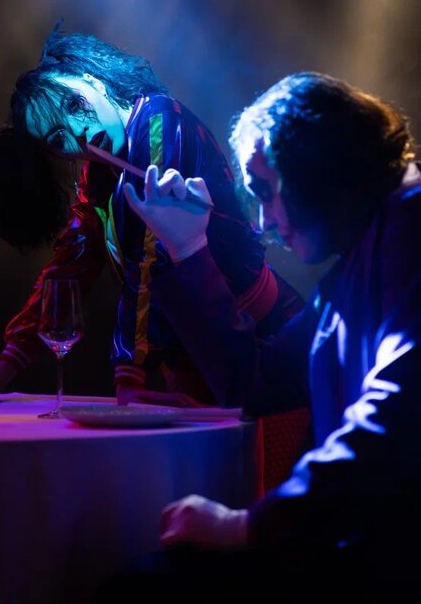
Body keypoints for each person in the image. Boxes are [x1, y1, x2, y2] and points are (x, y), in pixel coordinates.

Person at [115, 71, 421, 598]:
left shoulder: (411, 223)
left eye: (264, 191)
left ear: (315, 166)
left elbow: (399, 414)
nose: (261, 223)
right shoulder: (364, 252)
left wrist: (246, 526)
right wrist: (189, 248)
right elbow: (255, 380)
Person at [0, 23, 304, 409]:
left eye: (74, 105)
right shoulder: (98, 175)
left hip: (262, 342)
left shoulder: (159, 123)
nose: (79, 133)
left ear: (93, 80)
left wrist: (128, 372)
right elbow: (70, 265)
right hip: (201, 361)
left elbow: (150, 254)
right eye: (59, 138)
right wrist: (2, 372)